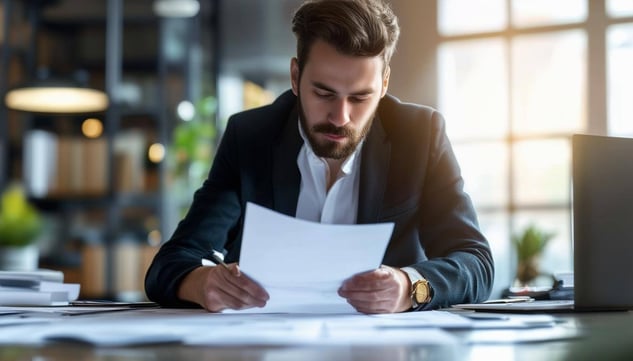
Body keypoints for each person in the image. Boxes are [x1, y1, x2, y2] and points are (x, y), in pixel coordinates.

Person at [145, 0, 494, 314]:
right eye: (324, 93)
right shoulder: (250, 137)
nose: (340, 117)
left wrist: (410, 287)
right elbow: (170, 264)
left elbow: (477, 263)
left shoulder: (420, 135)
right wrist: (203, 283)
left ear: (384, 86)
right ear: (296, 77)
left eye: (360, 98)